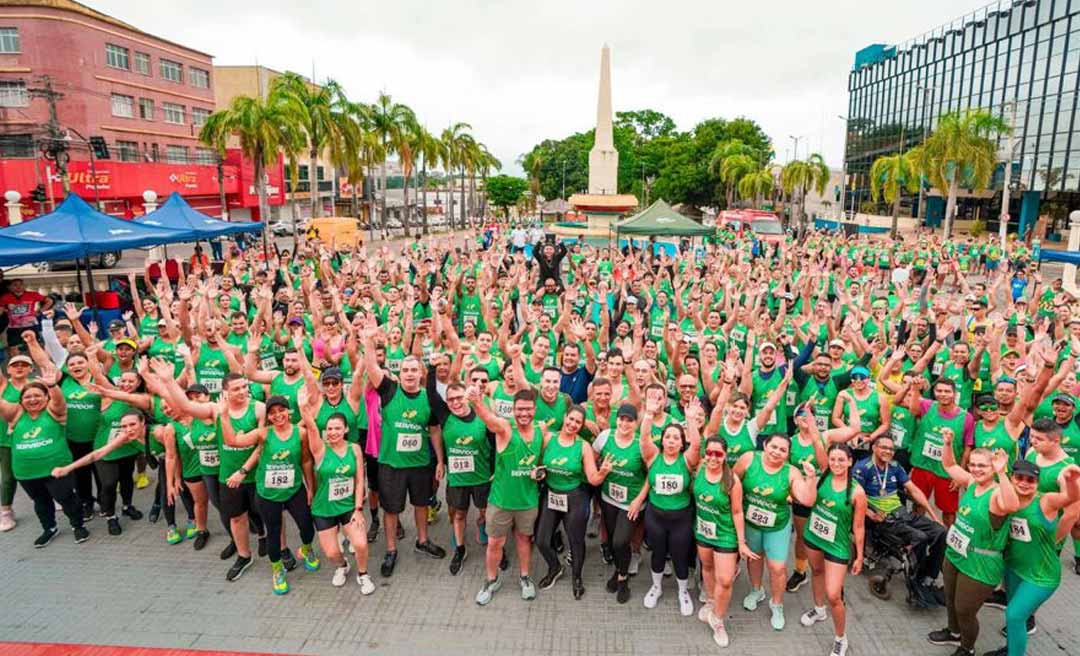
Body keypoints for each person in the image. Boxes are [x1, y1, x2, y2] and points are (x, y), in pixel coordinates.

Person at [360, 321, 447, 577]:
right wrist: (367, 340)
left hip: (420, 465)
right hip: (392, 464)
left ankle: (422, 541)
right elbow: (371, 366)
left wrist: (440, 461)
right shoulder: (389, 390)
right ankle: (390, 550)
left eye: (414, 370)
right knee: (392, 509)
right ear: (400, 372)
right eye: (406, 369)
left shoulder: (427, 398)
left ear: (421, 374)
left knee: (421, 504)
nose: (409, 373)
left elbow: (434, 430)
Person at [926, 429, 1019, 656]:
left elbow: (1012, 506)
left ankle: (967, 648)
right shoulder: (971, 483)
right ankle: (953, 631)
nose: (976, 469)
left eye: (982, 466)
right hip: (957, 553)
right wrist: (947, 444)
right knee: (949, 597)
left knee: (965, 609)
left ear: (993, 468)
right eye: (974, 465)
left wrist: (1003, 473)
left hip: (980, 562)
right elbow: (949, 466)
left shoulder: (997, 493)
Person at [221, 395, 321, 595]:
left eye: (281, 410)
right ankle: (277, 570)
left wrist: (311, 488)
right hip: (268, 494)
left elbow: (306, 461)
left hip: (294, 490)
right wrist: (224, 415)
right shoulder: (263, 434)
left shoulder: (300, 433)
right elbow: (232, 440)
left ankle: (307, 549)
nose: (278, 415)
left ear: (288, 411)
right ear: (268, 416)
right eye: (273, 412)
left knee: (307, 526)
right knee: (274, 533)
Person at [981, 459, 1080, 656]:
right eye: (1019, 478)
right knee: (1013, 614)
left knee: (1015, 616)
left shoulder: (1046, 501)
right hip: (1013, 568)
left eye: (1031, 480)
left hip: (1041, 576)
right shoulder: (1006, 500)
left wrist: (1072, 481)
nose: (1025, 483)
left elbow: (1070, 497)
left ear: (1037, 483)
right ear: (1012, 478)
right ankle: (1010, 649)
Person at [734, 433, 819, 631]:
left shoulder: (791, 472)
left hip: (777, 526)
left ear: (788, 454)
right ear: (765, 445)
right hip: (750, 522)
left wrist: (811, 478)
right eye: (773, 447)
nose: (776, 452)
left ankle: (777, 603)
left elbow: (807, 499)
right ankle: (756, 591)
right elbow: (732, 482)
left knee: (778, 567)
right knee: (754, 558)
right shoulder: (749, 459)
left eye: (783, 450)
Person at [468, 385, 543, 606]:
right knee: (495, 543)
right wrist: (476, 401)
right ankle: (491, 581)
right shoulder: (505, 428)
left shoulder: (540, 432)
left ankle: (525, 577)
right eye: (519, 409)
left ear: (535, 409)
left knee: (523, 539)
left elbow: (542, 462)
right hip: (501, 501)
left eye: (528, 409)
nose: (523, 414)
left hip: (527, 501)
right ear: (513, 409)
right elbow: (489, 419)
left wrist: (539, 473)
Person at [852, 435, 948, 601]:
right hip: (884, 519)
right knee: (920, 537)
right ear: (874, 448)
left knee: (940, 531)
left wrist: (933, 516)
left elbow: (915, 491)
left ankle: (929, 576)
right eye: (884, 447)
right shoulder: (862, 468)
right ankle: (914, 579)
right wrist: (869, 513)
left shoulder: (895, 466)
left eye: (891, 449)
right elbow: (852, 496)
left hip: (902, 513)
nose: (888, 451)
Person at [0, 367, 88, 547]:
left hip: (57, 468)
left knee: (65, 497)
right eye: (27, 397)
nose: (32, 399)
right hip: (26, 472)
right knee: (40, 502)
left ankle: (77, 525)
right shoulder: (16, 415)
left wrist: (52, 386)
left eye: (37, 395)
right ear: (21, 401)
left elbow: (59, 401)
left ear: (46, 397)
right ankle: (49, 528)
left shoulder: (54, 412)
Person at [797, 444, 867, 656]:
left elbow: (859, 526)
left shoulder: (857, 492)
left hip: (837, 544)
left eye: (841, 460)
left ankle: (840, 638)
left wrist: (860, 557)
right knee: (816, 571)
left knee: (834, 594)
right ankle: (819, 611)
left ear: (850, 461)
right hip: (813, 536)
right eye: (833, 459)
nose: (836, 464)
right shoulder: (820, 478)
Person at [299, 401, 375, 594]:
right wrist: (303, 406)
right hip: (323, 508)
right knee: (332, 553)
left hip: (348, 506)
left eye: (337, 428)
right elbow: (311, 426)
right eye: (330, 428)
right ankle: (342, 566)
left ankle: (363, 574)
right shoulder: (320, 449)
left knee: (360, 543)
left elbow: (359, 481)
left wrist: (358, 509)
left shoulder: (355, 449)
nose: (333, 432)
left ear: (346, 429)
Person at [638, 395, 704, 616]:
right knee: (657, 553)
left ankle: (682, 591)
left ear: (681, 441)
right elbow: (644, 438)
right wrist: (648, 414)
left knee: (679, 554)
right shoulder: (652, 457)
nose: (672, 441)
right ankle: (656, 587)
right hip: (655, 515)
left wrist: (691, 420)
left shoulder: (686, 460)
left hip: (681, 518)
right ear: (663, 440)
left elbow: (697, 444)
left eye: (677, 437)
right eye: (668, 437)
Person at [535, 405, 610, 599]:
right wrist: (537, 473)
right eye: (571, 419)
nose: (573, 424)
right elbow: (538, 462)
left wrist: (603, 473)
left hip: (575, 496)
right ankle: (555, 567)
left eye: (578, 422)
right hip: (551, 494)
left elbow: (592, 478)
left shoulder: (583, 446)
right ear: (564, 417)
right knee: (542, 540)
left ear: (582, 425)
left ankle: (577, 578)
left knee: (576, 541)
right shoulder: (548, 438)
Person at [694, 435, 756, 648]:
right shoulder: (699, 470)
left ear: (725, 455)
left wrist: (741, 542)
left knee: (726, 579)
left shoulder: (731, 481)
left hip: (725, 534)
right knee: (708, 567)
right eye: (709, 452)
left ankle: (718, 619)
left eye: (718, 454)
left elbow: (738, 512)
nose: (713, 457)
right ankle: (711, 601)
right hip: (703, 531)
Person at [593, 402, 648, 603]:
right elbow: (591, 458)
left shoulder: (641, 444)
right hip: (608, 498)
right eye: (621, 419)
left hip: (631, 502)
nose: (624, 423)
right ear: (617, 420)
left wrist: (639, 500)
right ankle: (618, 571)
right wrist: (600, 472)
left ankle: (623, 579)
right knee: (612, 541)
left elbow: (652, 475)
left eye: (629, 420)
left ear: (636, 423)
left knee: (620, 541)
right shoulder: (605, 436)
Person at [441, 381, 494, 575]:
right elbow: (431, 390)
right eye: (450, 399)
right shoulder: (445, 417)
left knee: (488, 513)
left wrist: (495, 469)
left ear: (466, 398)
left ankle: (495, 547)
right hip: (458, 480)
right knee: (459, 514)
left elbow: (495, 443)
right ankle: (460, 549)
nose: (455, 403)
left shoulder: (481, 415)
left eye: (459, 398)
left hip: (482, 478)